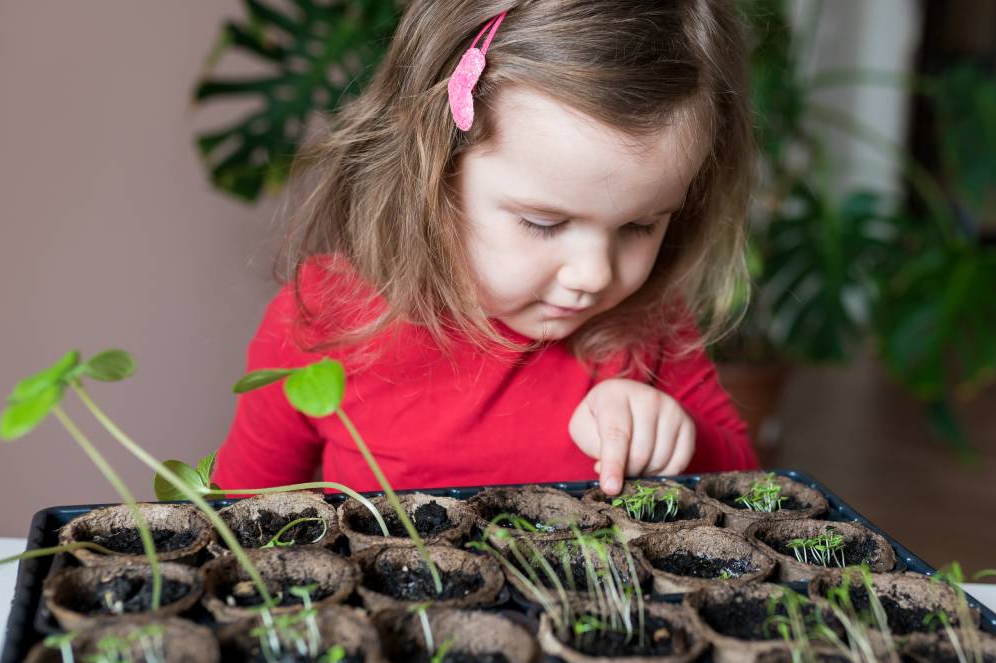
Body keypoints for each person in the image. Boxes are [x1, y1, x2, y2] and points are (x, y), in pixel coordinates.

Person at [213, 0, 759, 498]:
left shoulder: (652, 325)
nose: (594, 274)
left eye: (640, 226)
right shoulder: (323, 321)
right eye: (543, 223)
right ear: (433, 174)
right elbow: (240, 515)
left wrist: (676, 442)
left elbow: (754, 487)